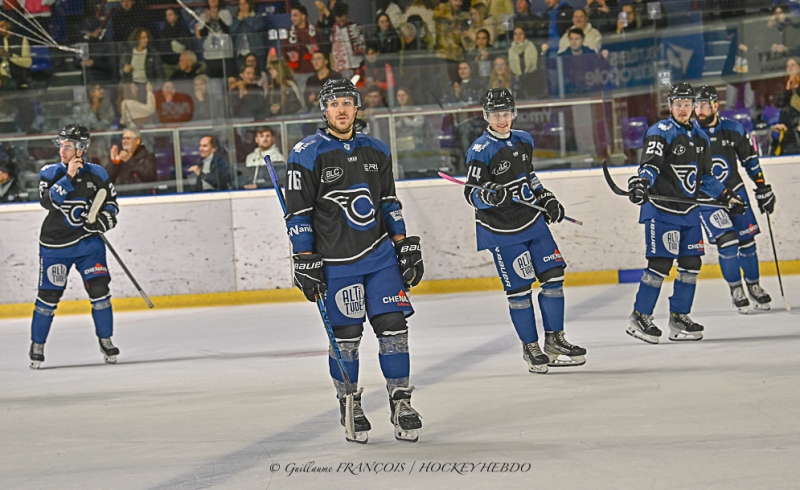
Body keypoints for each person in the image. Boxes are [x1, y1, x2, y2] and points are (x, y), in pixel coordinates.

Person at [283, 78, 425, 444]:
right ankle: (350, 403)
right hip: (336, 263)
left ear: (357, 107)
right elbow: (298, 214)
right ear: (324, 110)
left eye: (347, 102)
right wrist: (304, 259)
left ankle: (401, 401)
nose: (341, 110)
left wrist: (403, 244)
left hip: (379, 257)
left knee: (394, 327)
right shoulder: (306, 152)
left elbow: (388, 203)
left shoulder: (377, 149)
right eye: (334, 104)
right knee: (347, 337)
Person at [462, 88, 586, 374]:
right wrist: (487, 196)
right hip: (501, 229)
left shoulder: (524, 140)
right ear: (486, 116)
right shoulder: (481, 149)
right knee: (519, 290)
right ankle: (531, 347)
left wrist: (547, 198)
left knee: (554, 277)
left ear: (514, 113)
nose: (502, 119)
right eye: (496, 114)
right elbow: (471, 193)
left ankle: (555, 340)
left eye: (506, 113)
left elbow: (529, 176)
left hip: (532, 221)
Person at [625, 83, 744, 344]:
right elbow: (651, 164)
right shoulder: (662, 131)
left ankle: (679, 316)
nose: (682, 109)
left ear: (692, 106)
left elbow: (705, 178)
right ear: (670, 106)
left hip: (689, 210)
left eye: (687, 104)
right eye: (677, 104)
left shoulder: (700, 137)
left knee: (692, 264)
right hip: (662, 210)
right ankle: (640, 316)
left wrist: (727, 197)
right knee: (660, 264)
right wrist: (641, 182)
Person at [29, 125, 121, 369]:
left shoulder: (98, 173)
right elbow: (48, 203)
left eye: (68, 146)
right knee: (48, 297)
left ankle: (106, 339)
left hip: (88, 245)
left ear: (81, 149)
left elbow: (111, 205)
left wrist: (103, 221)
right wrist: (68, 176)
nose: (62, 150)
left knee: (100, 291)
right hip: (54, 246)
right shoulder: (48, 173)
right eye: (61, 145)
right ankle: (37, 345)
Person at [694, 86, 775, 313]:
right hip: (709, 199)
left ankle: (754, 286)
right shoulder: (688, 134)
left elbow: (750, 161)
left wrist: (762, 188)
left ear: (715, 106)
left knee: (747, 242)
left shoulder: (733, 129)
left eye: (704, 105)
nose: (699, 110)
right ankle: (736, 289)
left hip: (736, 193)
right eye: (697, 106)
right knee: (728, 243)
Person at [283, 3, 321, 95]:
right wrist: (290, 69)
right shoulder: (289, 32)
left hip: (315, 70)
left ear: (303, 16)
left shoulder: (314, 29)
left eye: (295, 15)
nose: (292, 18)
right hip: (298, 72)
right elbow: (284, 51)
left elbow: (323, 49)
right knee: (303, 99)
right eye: (291, 15)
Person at [195, 0, 234, 79]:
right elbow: (202, 34)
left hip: (225, 54)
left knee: (228, 80)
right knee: (214, 82)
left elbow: (228, 30)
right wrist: (208, 22)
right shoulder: (203, 15)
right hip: (210, 55)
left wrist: (217, 18)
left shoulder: (225, 13)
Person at [329, 2, 365, 80]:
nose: (341, 22)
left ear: (347, 15)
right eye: (339, 20)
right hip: (340, 68)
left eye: (343, 20)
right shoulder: (332, 31)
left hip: (356, 65)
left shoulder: (355, 27)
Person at [230, 0, 267, 72]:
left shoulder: (258, 17)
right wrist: (239, 19)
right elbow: (232, 31)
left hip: (257, 54)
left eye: (245, 4)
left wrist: (247, 17)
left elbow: (256, 27)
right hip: (241, 55)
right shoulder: (237, 19)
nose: (242, 6)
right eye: (240, 4)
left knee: (259, 74)